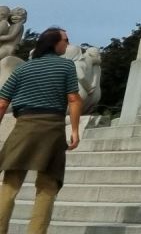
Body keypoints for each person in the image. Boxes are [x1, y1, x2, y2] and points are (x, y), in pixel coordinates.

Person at [0, 27, 81, 234]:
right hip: (51, 128)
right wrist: (74, 130)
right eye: (65, 39)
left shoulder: (22, 69)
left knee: (10, 184)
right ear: (55, 43)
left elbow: (2, 103)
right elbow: (73, 98)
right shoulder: (66, 66)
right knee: (47, 186)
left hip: (24, 126)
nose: (68, 43)